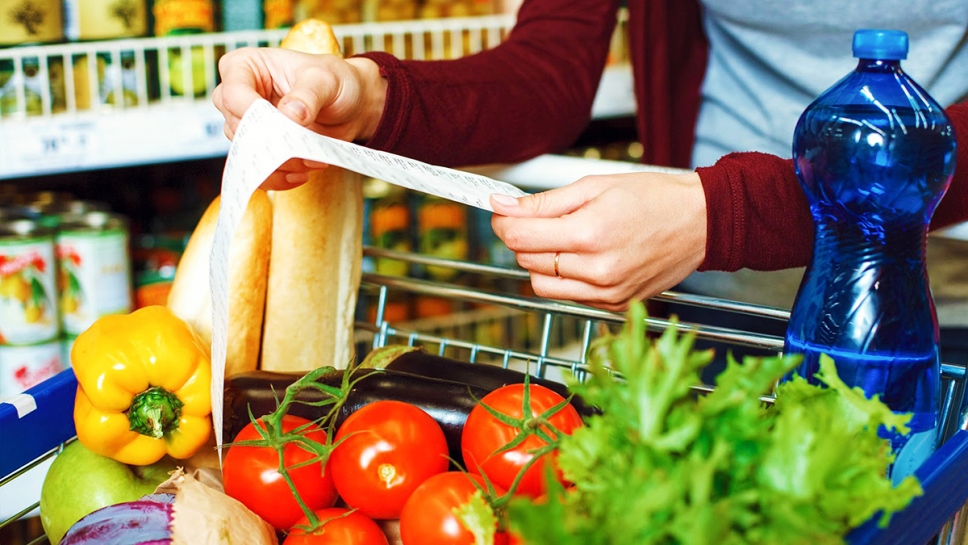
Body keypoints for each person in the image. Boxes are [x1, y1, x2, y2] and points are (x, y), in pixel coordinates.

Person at [213, 0, 968, 364]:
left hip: (940, 310)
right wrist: (371, 95)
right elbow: (548, 66)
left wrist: (725, 214)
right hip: (714, 307)